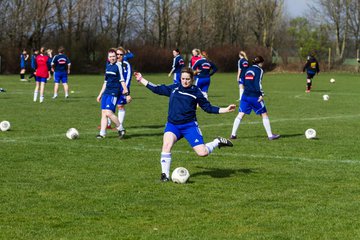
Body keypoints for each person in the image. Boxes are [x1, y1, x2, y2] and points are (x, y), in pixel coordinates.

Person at [134, 67, 236, 182]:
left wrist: (225, 109)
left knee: (202, 153)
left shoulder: (196, 92)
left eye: (187, 79)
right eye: (183, 79)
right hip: (173, 125)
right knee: (166, 145)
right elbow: (157, 89)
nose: (185, 81)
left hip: (189, 126)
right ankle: (165, 176)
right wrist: (141, 79)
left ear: (192, 79)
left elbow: (208, 108)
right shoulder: (175, 88)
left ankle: (217, 142)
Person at [230, 56, 280, 140]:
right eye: (262, 63)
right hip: (254, 96)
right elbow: (258, 83)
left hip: (245, 95)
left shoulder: (247, 69)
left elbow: (242, 80)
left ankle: (233, 134)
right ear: (260, 63)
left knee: (241, 114)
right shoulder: (259, 70)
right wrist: (261, 94)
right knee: (264, 114)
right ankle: (270, 135)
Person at [96, 49, 131, 139]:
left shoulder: (118, 66)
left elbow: (122, 80)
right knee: (103, 113)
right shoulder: (108, 67)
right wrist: (100, 94)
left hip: (114, 92)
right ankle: (102, 133)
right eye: (110, 56)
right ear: (108, 57)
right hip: (106, 92)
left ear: (116, 57)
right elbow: (105, 82)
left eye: (114, 56)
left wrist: (127, 94)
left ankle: (121, 128)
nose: (112, 58)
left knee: (108, 112)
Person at [115, 46, 133, 138]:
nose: (118, 56)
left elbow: (128, 77)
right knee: (108, 109)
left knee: (120, 106)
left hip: (123, 89)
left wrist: (125, 90)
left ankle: (119, 126)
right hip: (113, 89)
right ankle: (116, 126)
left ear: (123, 55)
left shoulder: (126, 64)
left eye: (120, 54)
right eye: (117, 54)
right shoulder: (112, 63)